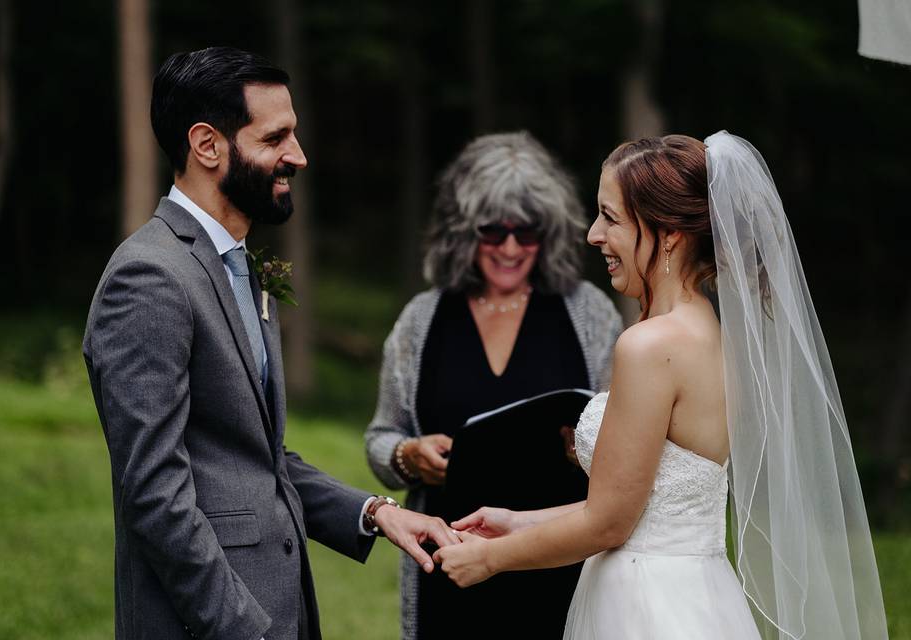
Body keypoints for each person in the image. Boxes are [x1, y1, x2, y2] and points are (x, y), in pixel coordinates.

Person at [434, 133, 889, 639]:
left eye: (610, 217)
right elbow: (646, 502)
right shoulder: (714, 335)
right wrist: (519, 523)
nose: (593, 235)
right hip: (702, 591)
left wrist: (491, 559)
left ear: (668, 233)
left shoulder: (650, 347)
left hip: (644, 604)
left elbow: (610, 524)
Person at [83, 47, 458, 640]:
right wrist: (246, 630)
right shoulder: (149, 278)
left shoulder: (236, 268)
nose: (298, 157)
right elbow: (154, 496)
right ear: (207, 145)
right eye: (275, 137)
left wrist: (378, 513)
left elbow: (255, 460)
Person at [364, 132, 623, 640]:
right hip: (451, 569)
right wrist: (406, 455)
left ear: (547, 233)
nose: (509, 248)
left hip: (559, 568)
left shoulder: (589, 312)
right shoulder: (423, 319)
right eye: (492, 231)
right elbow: (380, 436)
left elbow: (623, 446)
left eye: (526, 232)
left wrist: (586, 449)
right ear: (463, 232)